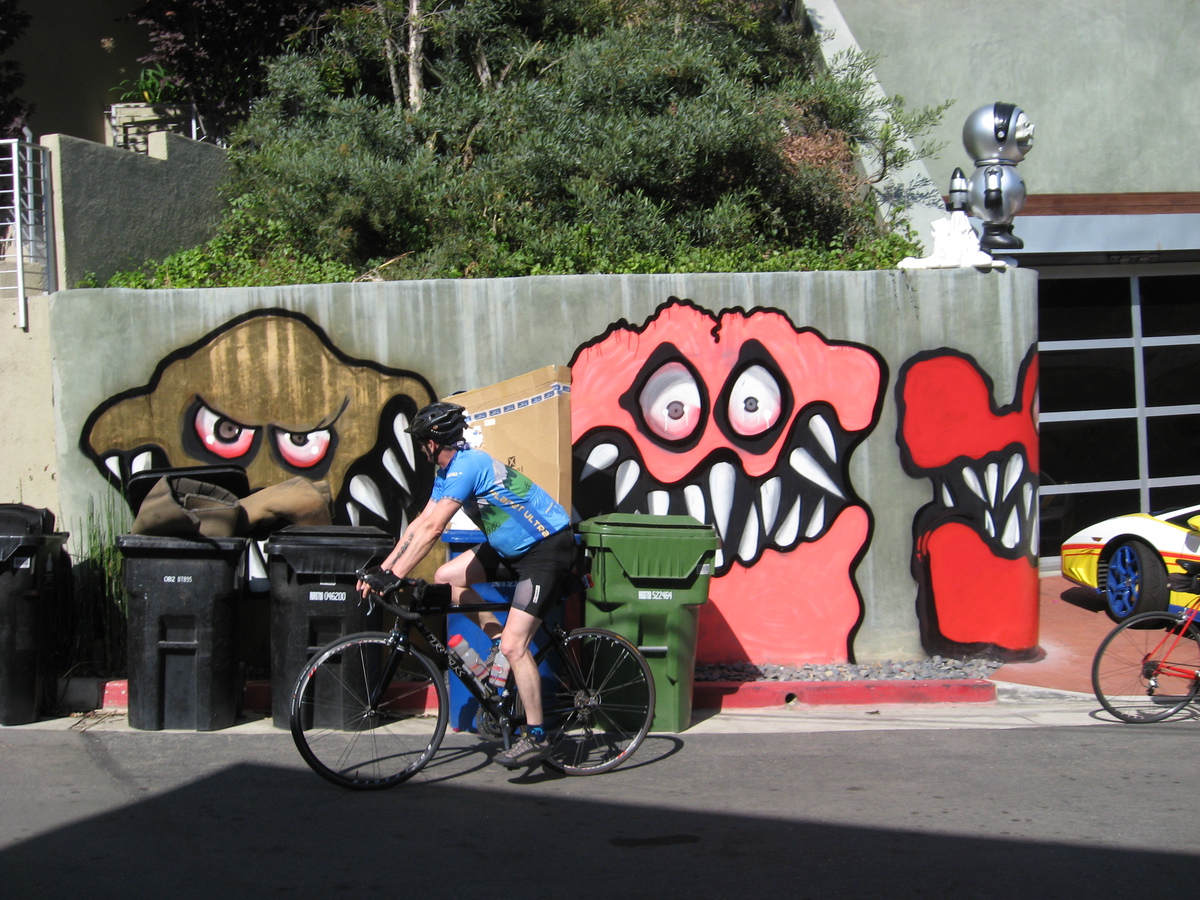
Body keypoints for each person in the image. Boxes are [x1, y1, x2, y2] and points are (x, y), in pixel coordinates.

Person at [362, 401, 574, 767]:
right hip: (511, 549)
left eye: (421, 442)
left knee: (517, 646)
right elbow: (420, 523)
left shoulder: (468, 465)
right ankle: (497, 644)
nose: (421, 448)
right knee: (447, 578)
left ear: (432, 442)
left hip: (545, 549)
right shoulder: (447, 472)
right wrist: (384, 568)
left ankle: (537, 734)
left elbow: (434, 529)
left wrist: (394, 577)